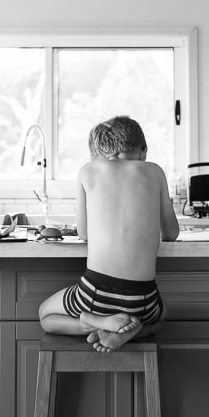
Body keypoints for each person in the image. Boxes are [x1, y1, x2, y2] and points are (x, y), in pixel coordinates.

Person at [38, 116, 179, 352]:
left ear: (98, 153)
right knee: (163, 317)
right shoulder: (155, 172)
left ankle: (95, 323)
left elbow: (84, 233)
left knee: (45, 315)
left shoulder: (88, 171)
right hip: (144, 300)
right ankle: (133, 329)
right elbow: (171, 234)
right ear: (143, 151)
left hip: (94, 295)